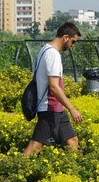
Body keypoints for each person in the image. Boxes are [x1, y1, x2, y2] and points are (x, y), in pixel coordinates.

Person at [23, 22, 84, 155]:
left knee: (72, 140)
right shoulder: (53, 55)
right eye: (73, 42)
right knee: (35, 146)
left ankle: (70, 171)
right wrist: (72, 109)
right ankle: (13, 170)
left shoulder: (44, 49)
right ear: (66, 37)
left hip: (56, 108)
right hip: (49, 108)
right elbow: (54, 87)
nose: (72, 46)